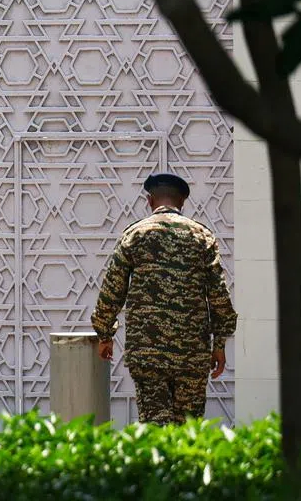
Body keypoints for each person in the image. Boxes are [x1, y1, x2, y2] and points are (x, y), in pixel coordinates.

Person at [91, 172, 237, 426]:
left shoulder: (134, 235)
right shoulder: (201, 237)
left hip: (148, 353)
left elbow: (112, 290)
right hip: (191, 354)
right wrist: (220, 344)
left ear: (150, 200)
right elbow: (219, 295)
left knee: (155, 426)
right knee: (188, 429)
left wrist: (105, 335)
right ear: (182, 202)